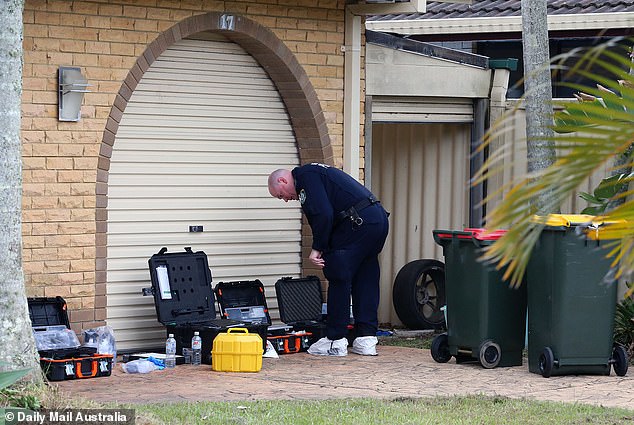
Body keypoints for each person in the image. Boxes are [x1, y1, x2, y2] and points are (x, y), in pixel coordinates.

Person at [268, 163, 389, 356]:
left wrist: (318, 248)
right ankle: (366, 338)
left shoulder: (305, 178)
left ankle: (335, 339)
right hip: (377, 219)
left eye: (281, 195)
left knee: (337, 270)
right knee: (366, 276)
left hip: (357, 221)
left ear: (283, 180)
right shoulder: (317, 172)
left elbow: (323, 214)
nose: (285, 200)